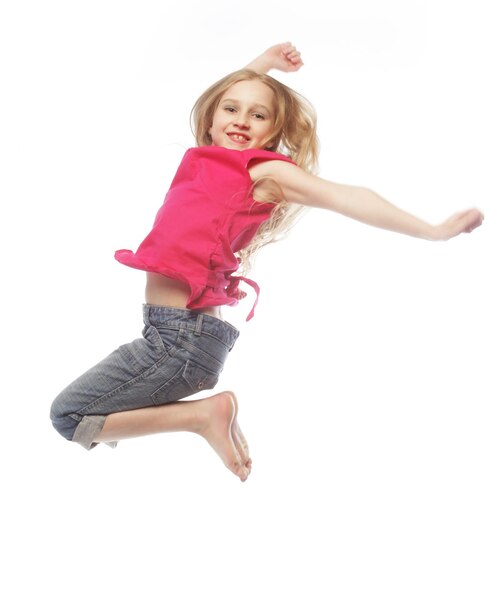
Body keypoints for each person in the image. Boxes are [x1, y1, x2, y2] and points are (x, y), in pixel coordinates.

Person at [50, 43, 483, 482]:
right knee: (78, 413)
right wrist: (265, 63)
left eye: (258, 116)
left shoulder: (262, 173)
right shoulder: (207, 162)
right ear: (211, 118)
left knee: (69, 416)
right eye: (231, 109)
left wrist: (432, 230)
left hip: (180, 342)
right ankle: (205, 415)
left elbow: (346, 196)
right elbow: (233, 94)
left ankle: (201, 417)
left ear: (274, 132)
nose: (241, 120)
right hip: (175, 335)